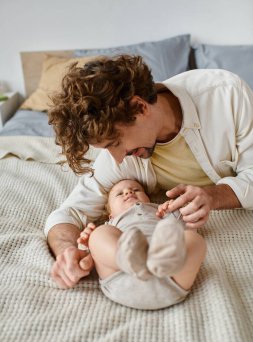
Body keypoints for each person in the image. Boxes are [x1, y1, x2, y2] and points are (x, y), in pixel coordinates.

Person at [45, 54, 253, 290]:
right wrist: (67, 251)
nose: (117, 158)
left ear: (140, 107)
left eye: (115, 143)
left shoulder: (227, 95)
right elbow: (69, 212)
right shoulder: (119, 160)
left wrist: (213, 196)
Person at [76, 178, 206, 309]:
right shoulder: (112, 223)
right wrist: (86, 242)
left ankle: (162, 259)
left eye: (136, 190)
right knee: (99, 233)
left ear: (148, 199)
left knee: (194, 240)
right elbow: (91, 256)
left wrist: (177, 210)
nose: (128, 192)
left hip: (172, 275)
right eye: (120, 193)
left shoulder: (161, 212)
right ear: (111, 215)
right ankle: (126, 257)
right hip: (120, 273)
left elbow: (190, 225)